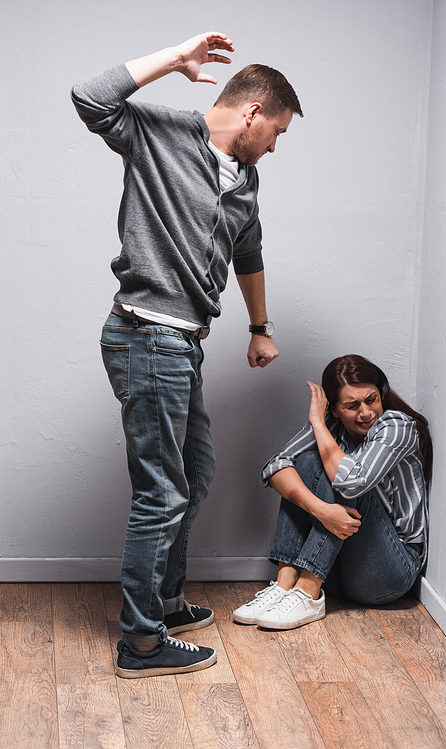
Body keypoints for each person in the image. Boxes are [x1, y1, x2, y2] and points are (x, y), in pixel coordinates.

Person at [71, 31, 302, 677]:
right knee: (161, 493)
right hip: (147, 335)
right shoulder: (162, 133)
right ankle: (141, 643)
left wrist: (260, 324)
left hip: (181, 343)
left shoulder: (245, 178)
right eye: (277, 131)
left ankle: (167, 603)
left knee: (192, 476)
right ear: (253, 112)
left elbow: (249, 251)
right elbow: (89, 97)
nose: (276, 146)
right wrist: (175, 59)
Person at [233, 354, 432, 630]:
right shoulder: (331, 423)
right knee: (305, 462)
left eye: (371, 399)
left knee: (347, 474)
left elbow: (353, 483)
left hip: (390, 571)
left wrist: (317, 424)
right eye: (352, 405)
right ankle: (284, 585)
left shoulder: (396, 425)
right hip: (341, 570)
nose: (366, 413)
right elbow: (274, 467)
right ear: (335, 409)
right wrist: (322, 510)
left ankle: (307, 592)